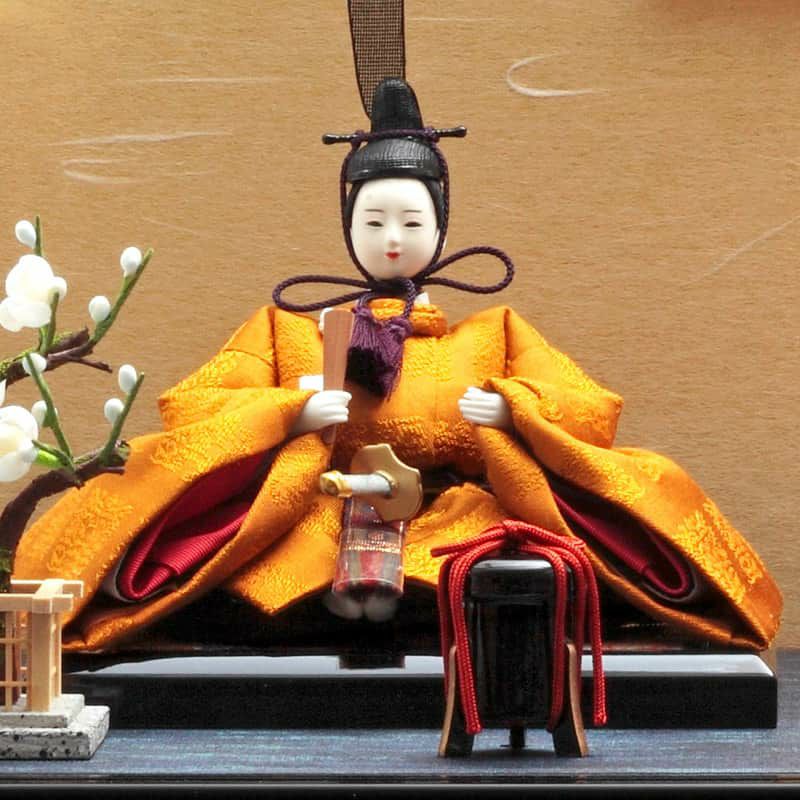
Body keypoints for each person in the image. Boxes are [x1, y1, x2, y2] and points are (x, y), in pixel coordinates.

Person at [14, 79, 781, 653]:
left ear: (440, 227)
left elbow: (586, 407)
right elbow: (195, 409)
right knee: (237, 565)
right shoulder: (289, 330)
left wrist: (513, 410)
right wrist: (289, 411)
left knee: (535, 561)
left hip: (451, 512)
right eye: (373, 219)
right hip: (319, 511)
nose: (391, 237)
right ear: (346, 225)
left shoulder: (494, 330)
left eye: (411, 220)